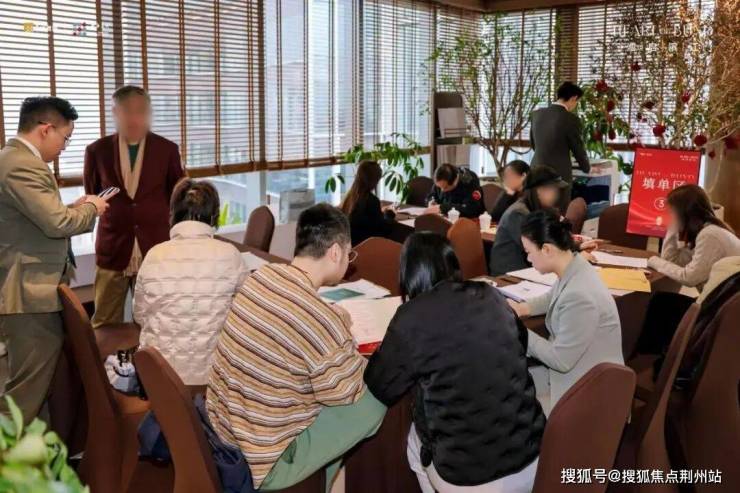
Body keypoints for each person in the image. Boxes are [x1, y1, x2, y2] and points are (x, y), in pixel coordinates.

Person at [207, 204, 386, 491]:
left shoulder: (260, 278)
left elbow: (295, 322)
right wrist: (347, 341)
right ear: (335, 252)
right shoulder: (319, 318)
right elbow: (347, 391)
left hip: (224, 430)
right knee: (373, 402)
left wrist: (333, 322)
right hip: (264, 461)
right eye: (348, 254)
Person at [365, 233, 544, 493]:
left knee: (413, 444)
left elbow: (380, 385)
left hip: (467, 475)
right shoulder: (491, 294)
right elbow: (521, 342)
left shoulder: (412, 317)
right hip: (534, 455)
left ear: (409, 274)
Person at [0, 97, 109, 422]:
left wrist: (74, 208)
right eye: (65, 137)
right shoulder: (21, 165)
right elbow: (57, 224)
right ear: (46, 129)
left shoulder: (14, 160)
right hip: (28, 294)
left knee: (38, 386)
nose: (64, 147)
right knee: (25, 394)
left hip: (31, 289)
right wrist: (91, 209)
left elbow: (38, 219)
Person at [84, 85, 184, 328]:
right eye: (127, 111)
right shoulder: (97, 151)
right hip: (113, 248)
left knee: (155, 320)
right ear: (115, 113)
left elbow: (178, 196)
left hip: (156, 248)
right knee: (104, 322)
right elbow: (92, 197)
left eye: (141, 111)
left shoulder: (167, 149)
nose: (134, 118)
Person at [507, 209, 623, 415]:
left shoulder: (579, 295)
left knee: (507, 402)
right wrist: (522, 308)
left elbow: (560, 361)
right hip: (582, 374)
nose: (528, 258)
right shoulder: (575, 267)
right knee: (510, 384)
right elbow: (552, 297)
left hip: (587, 392)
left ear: (547, 249)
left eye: (528, 252)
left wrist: (519, 330)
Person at [133, 179, 246, 386]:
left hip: (160, 376)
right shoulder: (231, 255)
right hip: (215, 375)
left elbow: (139, 315)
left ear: (173, 214)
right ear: (214, 216)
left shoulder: (154, 255)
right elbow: (244, 314)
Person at [647, 184, 740, 290]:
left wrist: (654, 261)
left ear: (684, 214)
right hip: (721, 296)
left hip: (725, 298)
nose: (670, 217)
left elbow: (689, 278)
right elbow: (672, 261)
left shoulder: (710, 235)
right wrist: (674, 226)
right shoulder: (702, 231)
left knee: (658, 298)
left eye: (672, 213)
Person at [489, 165, 567, 276]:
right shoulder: (518, 213)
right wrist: (573, 254)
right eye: (553, 190)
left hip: (530, 270)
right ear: (539, 191)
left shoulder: (538, 210)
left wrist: (577, 247)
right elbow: (539, 247)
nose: (556, 195)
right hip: (508, 275)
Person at [530, 81, 590, 212]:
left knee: (535, 211)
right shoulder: (570, 119)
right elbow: (578, 148)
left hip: (535, 171)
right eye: (577, 102)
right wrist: (586, 167)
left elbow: (534, 144)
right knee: (558, 215)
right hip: (558, 175)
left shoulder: (536, 114)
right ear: (574, 98)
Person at [340, 160, 395, 246]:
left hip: (351, 247)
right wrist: (389, 214)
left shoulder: (349, 197)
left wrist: (380, 212)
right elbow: (383, 230)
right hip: (368, 248)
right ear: (374, 180)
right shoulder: (372, 201)